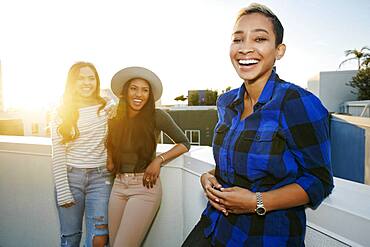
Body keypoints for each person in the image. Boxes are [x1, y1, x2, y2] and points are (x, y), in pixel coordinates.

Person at [183, 3, 334, 247]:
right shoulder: (226, 102)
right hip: (216, 225)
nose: (245, 48)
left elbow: (319, 180)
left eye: (260, 38)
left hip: (264, 237)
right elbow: (240, 163)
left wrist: (257, 202)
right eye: (238, 39)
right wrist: (208, 177)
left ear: (279, 50)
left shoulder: (297, 102)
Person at [107, 66, 191, 247]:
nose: (139, 94)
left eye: (145, 90)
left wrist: (158, 160)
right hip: (118, 186)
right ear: (125, 92)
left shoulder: (157, 115)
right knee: (113, 243)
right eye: (134, 88)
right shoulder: (115, 117)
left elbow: (184, 143)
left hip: (144, 188)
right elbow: (110, 145)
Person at [51, 62, 113, 247]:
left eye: (91, 78)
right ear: (72, 82)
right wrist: (63, 190)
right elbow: (58, 152)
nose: (87, 82)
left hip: (101, 179)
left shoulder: (107, 108)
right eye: (81, 78)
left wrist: (115, 107)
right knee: (70, 238)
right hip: (70, 179)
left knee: (99, 237)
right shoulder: (61, 112)